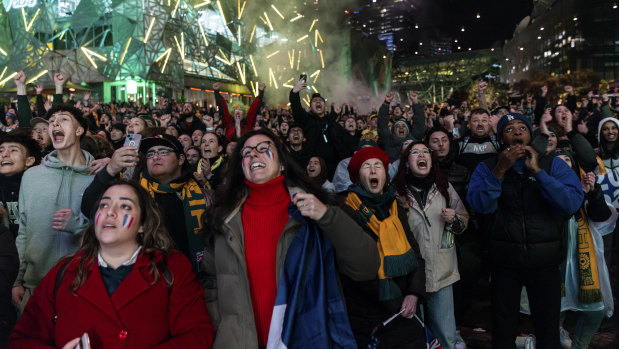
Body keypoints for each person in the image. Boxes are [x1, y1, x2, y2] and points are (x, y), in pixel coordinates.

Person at [202, 129, 380, 348]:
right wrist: (223, 328)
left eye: (263, 149)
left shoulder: (317, 209)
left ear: (283, 163)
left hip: (305, 339)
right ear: (241, 166)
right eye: (246, 153)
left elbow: (367, 266)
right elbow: (210, 280)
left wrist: (327, 217)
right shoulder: (222, 219)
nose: (253, 155)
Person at [10, 181, 215, 348]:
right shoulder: (64, 272)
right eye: (104, 205)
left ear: (143, 224)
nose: (110, 212)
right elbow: (23, 338)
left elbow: (197, 334)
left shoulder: (172, 268)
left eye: (125, 206)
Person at [466, 113, 583, 349]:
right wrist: (500, 171)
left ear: (530, 135)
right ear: (500, 139)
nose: (517, 132)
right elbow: (480, 205)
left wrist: (538, 172)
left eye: (522, 127)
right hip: (504, 264)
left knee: (547, 329)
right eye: (509, 129)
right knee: (503, 329)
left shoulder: (552, 164)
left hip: (545, 262)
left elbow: (570, 204)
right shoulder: (487, 167)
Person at [81, 134, 209, 275]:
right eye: (150, 153)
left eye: (163, 151)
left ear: (180, 159)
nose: (156, 156)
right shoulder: (134, 194)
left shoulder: (204, 197)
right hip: (144, 276)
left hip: (190, 279)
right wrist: (110, 170)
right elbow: (89, 208)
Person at [12, 105, 95, 313]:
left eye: (64, 119)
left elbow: (113, 233)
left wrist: (80, 226)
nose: (55, 123)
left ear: (79, 130)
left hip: (84, 286)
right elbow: (23, 232)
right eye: (51, 122)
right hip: (35, 288)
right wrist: (17, 280)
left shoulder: (97, 178)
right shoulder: (32, 176)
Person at [342, 146, 426, 348]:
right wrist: (396, 303)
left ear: (385, 174)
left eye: (378, 165)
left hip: (404, 307)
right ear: (357, 176)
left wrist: (414, 293)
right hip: (367, 313)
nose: (373, 171)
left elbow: (414, 253)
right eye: (366, 166)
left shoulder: (394, 205)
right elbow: (355, 269)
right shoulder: (346, 209)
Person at [393, 142, 469, 349]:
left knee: (444, 334)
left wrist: (455, 219)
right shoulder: (396, 192)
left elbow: (464, 219)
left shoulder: (444, 187)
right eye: (415, 153)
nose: (421, 155)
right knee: (415, 335)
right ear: (407, 162)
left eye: (425, 152)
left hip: (442, 272)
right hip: (409, 276)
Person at [0, 133, 42, 237]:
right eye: (1, 150)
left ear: (29, 161)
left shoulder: (40, 187)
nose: (4, 154)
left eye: (13, 150)